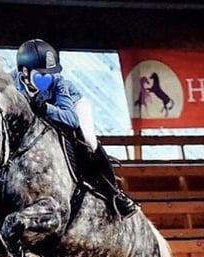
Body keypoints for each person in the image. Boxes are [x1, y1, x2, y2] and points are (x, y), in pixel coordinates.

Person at [12, 38, 137, 219]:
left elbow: (71, 119)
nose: (48, 78)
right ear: (24, 71)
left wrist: (46, 108)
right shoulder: (11, 84)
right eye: (41, 74)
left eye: (50, 73)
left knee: (89, 140)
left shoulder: (59, 83)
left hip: (72, 106)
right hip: (38, 118)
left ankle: (115, 195)